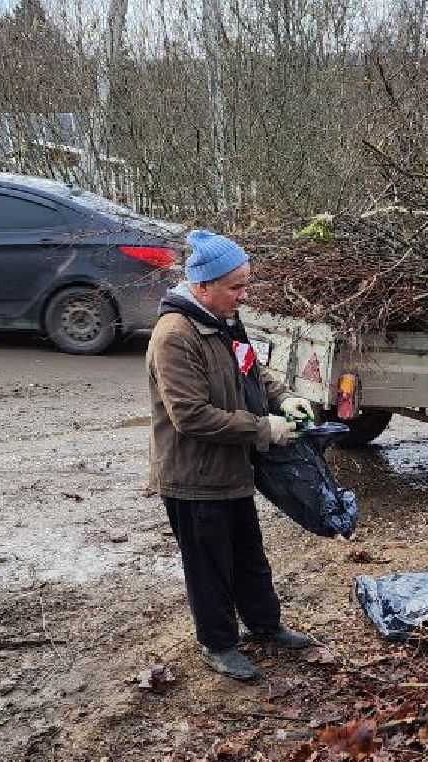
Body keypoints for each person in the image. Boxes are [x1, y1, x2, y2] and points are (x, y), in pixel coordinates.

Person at [147, 229, 320, 681]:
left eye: (245, 285)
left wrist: (283, 398)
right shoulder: (175, 335)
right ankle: (219, 643)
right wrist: (265, 428)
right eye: (235, 287)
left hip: (233, 468)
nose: (242, 296)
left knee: (247, 553)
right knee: (209, 565)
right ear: (202, 286)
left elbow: (252, 370)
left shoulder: (225, 321)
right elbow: (191, 416)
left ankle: (265, 625)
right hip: (194, 476)